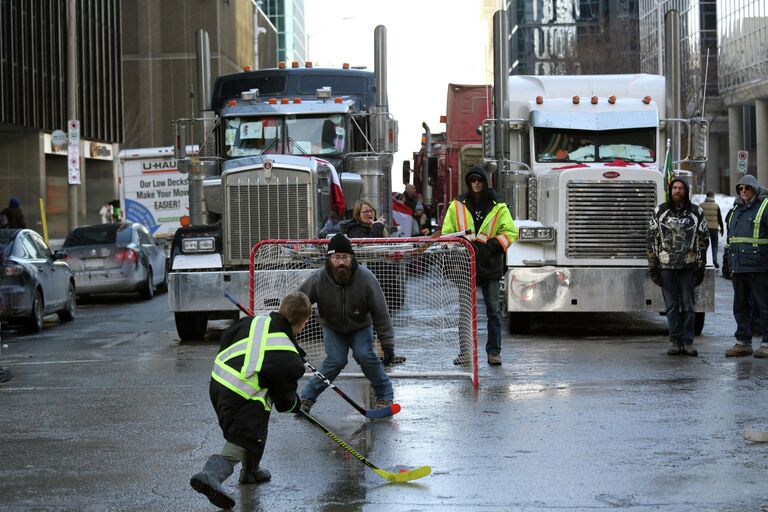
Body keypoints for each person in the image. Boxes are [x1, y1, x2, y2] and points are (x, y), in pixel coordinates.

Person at [189, 292, 312, 509]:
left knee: (259, 416)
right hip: (240, 394)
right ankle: (211, 475)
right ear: (304, 323)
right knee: (244, 437)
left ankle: (251, 471)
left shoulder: (254, 321)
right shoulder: (288, 358)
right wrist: (296, 405)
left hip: (218, 382)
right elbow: (285, 403)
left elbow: (227, 337)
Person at [297, 233, 396, 413]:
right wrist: (284, 328)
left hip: (360, 326)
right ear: (329, 259)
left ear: (352, 258)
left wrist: (387, 344)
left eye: (345, 257)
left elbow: (381, 313)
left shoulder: (366, 278)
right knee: (336, 360)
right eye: (336, 257)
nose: (341, 262)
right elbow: (297, 302)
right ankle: (306, 398)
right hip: (332, 327)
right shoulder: (318, 278)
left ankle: (385, 395)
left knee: (365, 355)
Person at [438, 165, 518, 366]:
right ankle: (465, 353)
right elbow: (447, 232)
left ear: (484, 182)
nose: (476, 183)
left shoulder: (498, 204)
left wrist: (491, 247)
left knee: (493, 310)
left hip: (489, 264)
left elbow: (510, 232)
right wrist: (458, 248)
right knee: (466, 311)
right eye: (473, 180)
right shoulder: (457, 205)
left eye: (479, 180)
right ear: (468, 182)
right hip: (466, 264)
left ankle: (493, 352)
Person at [647, 178, 709, 357]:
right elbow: (651, 239)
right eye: (674, 188)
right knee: (672, 306)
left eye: (681, 188)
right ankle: (675, 341)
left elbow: (704, 239)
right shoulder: (660, 212)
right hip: (666, 267)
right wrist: (653, 266)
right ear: (670, 190)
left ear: (686, 191)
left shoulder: (696, 212)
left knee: (689, 306)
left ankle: (688, 342)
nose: (677, 191)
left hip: (688, 267)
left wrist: (701, 264)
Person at [723, 174, 768, 358]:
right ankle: (743, 342)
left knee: (763, 306)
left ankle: (766, 343)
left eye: (747, 188)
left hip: (759, 267)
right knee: (740, 306)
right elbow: (730, 239)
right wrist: (726, 261)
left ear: (754, 190)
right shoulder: (735, 211)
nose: (744, 192)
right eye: (741, 189)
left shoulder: (764, 208)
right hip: (739, 266)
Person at [700, 191, 724, 268]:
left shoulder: (701, 206)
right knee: (714, 245)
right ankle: (714, 259)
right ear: (713, 196)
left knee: (703, 245)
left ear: (706, 196)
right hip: (714, 228)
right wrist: (722, 228)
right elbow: (719, 218)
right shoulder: (716, 206)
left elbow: (698, 218)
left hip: (704, 228)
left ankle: (703, 260)